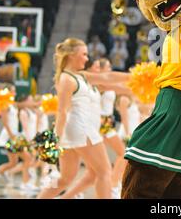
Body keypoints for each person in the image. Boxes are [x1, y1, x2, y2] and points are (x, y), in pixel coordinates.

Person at [37, 38, 131, 199]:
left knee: (66, 179)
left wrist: (134, 76)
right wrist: (54, 141)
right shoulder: (67, 79)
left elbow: (108, 77)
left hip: (76, 131)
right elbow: (62, 112)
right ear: (72, 55)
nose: (87, 58)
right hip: (82, 129)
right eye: (84, 54)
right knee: (104, 171)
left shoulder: (80, 76)